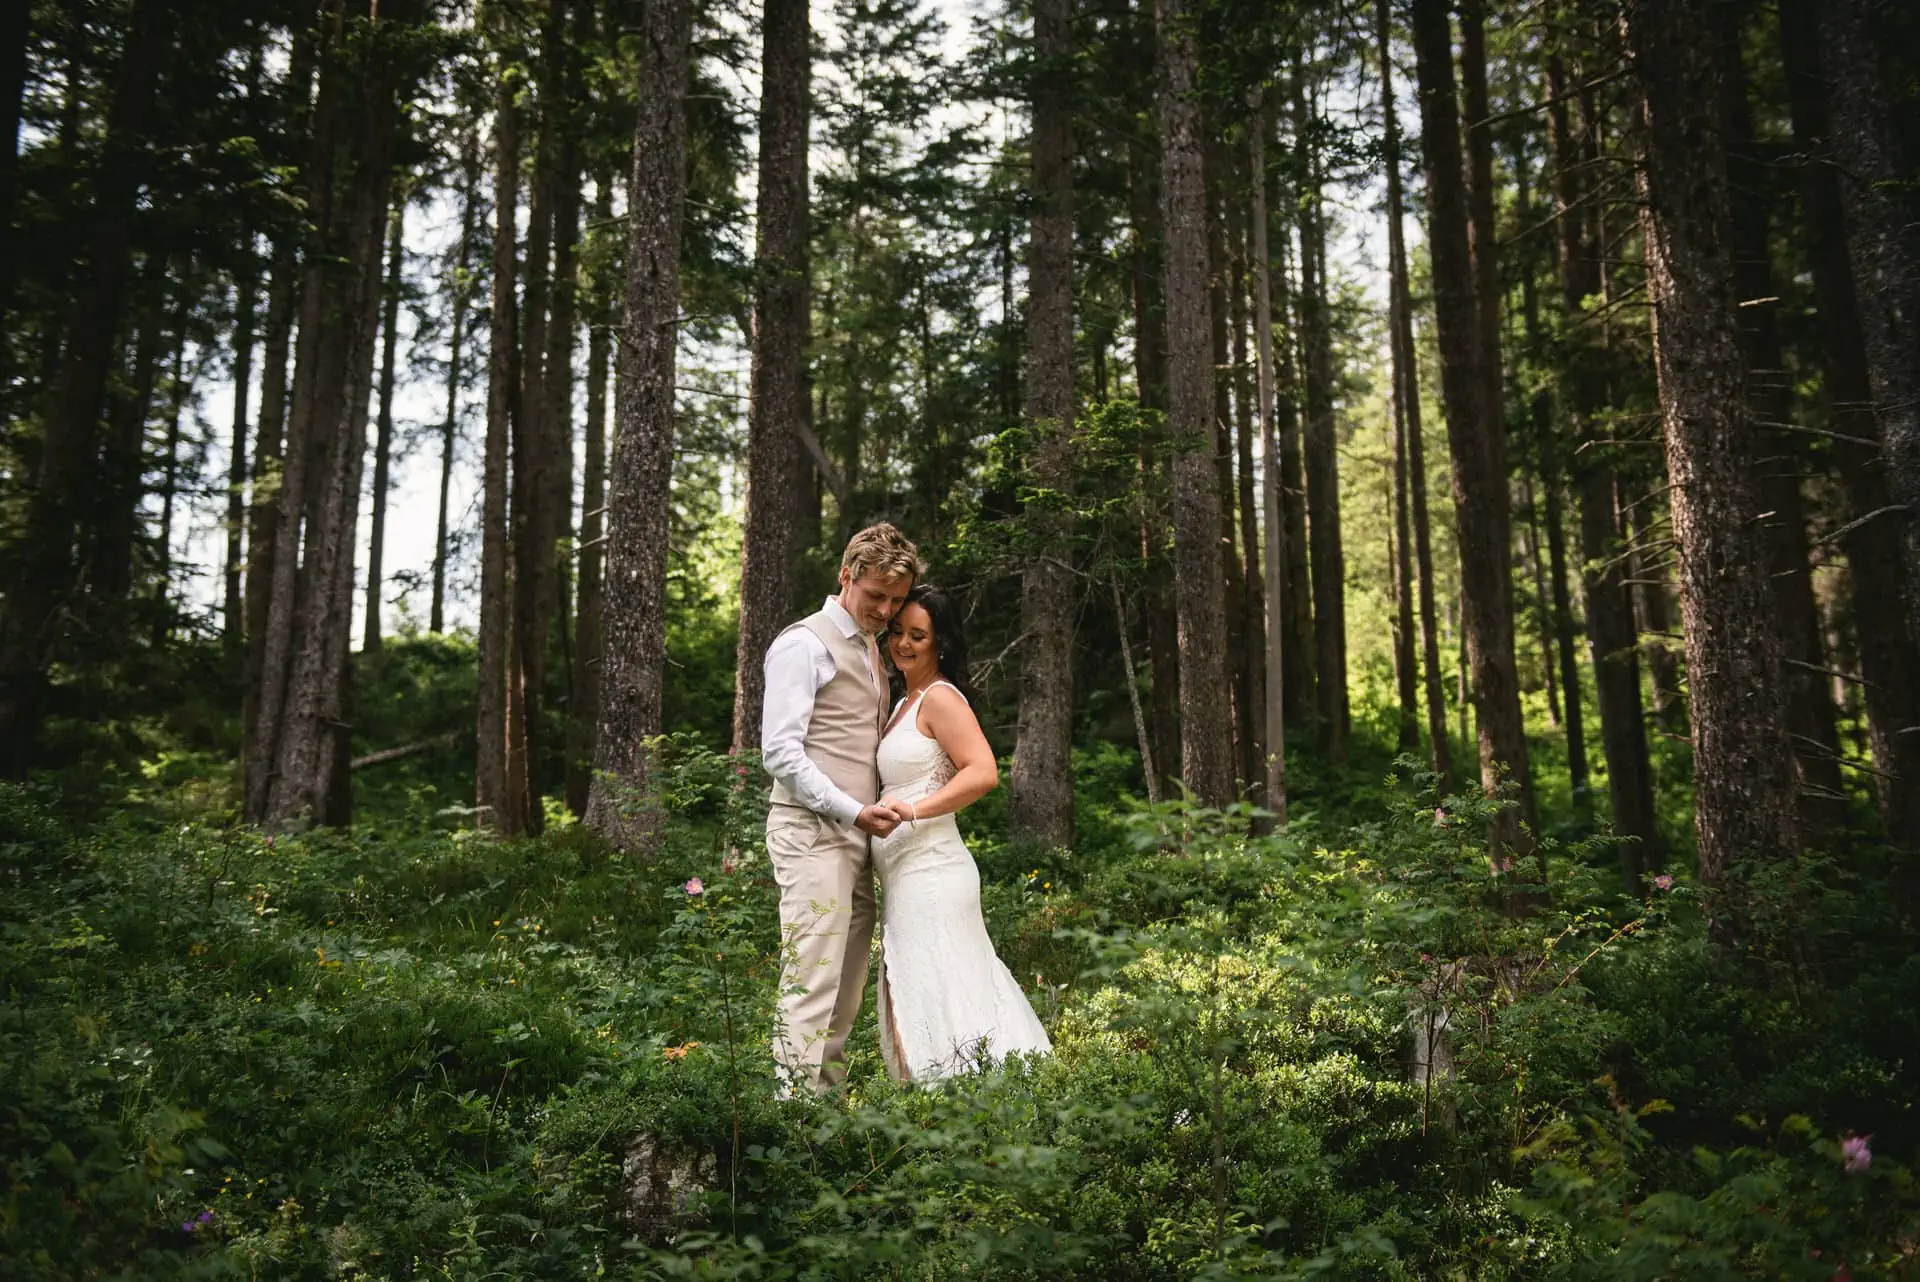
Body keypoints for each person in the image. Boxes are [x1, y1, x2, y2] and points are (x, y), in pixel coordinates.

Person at [759, 523, 921, 1094]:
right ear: (846, 575)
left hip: (855, 838)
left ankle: (821, 1109)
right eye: (875, 594)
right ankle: (788, 1119)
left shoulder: (871, 650)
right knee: (812, 976)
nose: (884, 609)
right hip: (811, 832)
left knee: (845, 984)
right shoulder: (803, 643)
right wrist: (852, 810)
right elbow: (779, 752)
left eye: (895, 600)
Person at [873, 585, 1051, 1081]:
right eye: (897, 632)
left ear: (941, 643)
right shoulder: (901, 701)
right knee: (919, 987)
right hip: (905, 878)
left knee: (943, 988)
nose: (903, 644)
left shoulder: (940, 697)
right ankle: (938, 1109)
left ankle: (974, 1101)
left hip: (933, 874)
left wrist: (912, 810)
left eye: (918, 635)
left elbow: (982, 772)